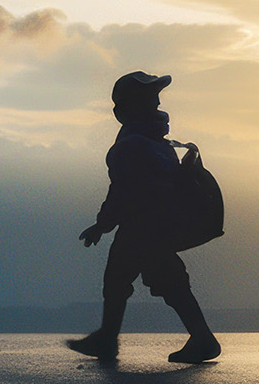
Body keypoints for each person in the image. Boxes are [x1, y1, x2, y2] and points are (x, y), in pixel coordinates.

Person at [67, 71, 220, 364]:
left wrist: (103, 224)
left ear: (121, 112)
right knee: (139, 281)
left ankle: (201, 339)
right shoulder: (160, 142)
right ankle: (109, 338)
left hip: (142, 229)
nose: (158, 104)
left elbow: (123, 190)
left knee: (146, 282)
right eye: (154, 100)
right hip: (159, 226)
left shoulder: (130, 146)